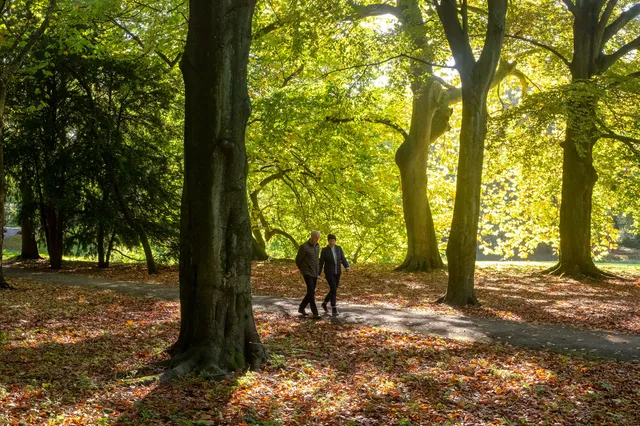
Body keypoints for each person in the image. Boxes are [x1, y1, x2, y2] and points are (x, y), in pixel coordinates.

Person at [319, 233, 349, 316]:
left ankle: (324, 303)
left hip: (337, 272)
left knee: (334, 289)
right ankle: (334, 307)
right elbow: (321, 262)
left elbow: (343, 258)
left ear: (335, 241)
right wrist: (318, 273)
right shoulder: (324, 250)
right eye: (330, 241)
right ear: (328, 241)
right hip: (329, 272)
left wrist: (346, 266)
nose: (332, 242)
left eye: (333, 241)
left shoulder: (338, 248)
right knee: (333, 288)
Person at [295, 230, 321, 319]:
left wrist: (318, 272)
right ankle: (315, 313)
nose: (317, 240)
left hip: (315, 272)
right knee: (311, 292)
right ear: (312, 237)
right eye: (316, 238)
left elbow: (317, 260)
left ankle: (301, 308)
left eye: (318, 238)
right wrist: (302, 269)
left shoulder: (317, 246)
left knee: (311, 291)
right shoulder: (304, 247)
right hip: (307, 272)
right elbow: (298, 260)